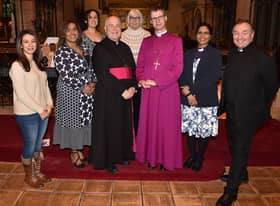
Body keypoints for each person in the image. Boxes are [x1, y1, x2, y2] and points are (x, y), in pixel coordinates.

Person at [216, 19, 278, 206]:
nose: (240, 37)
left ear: (252, 35)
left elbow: (272, 86)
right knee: (234, 144)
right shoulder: (233, 54)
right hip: (232, 111)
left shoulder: (263, 58)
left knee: (241, 149)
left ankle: (231, 192)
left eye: (244, 33)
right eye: (236, 33)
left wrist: (259, 106)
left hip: (250, 113)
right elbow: (227, 82)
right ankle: (241, 174)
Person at [135, 6, 183, 171]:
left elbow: (177, 68)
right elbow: (139, 65)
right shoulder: (146, 42)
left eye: (160, 17)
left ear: (166, 18)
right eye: (154, 18)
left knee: (166, 126)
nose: (157, 21)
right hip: (149, 92)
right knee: (151, 124)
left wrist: (156, 81)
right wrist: (141, 80)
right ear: (151, 21)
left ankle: (166, 159)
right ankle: (152, 157)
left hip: (167, 91)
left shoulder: (176, 41)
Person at [88, 16, 137, 174]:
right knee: (110, 128)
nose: (115, 28)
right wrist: (122, 91)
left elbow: (133, 70)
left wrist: (133, 88)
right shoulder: (100, 48)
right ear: (105, 28)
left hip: (126, 94)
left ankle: (121, 155)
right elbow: (103, 75)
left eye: (117, 25)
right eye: (111, 26)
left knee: (122, 126)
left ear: (121, 29)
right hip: (109, 95)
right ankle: (108, 161)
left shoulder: (125, 47)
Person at [9, 30, 53, 187]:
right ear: (20, 45)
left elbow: (45, 86)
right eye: (26, 41)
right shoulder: (17, 66)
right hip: (27, 113)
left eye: (33, 41)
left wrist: (49, 104)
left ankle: (37, 173)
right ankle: (29, 177)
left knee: (37, 145)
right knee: (29, 145)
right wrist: (40, 109)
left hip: (43, 112)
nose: (30, 45)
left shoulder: (36, 63)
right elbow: (21, 93)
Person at [180, 23, 222, 172]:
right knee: (191, 131)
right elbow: (182, 74)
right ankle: (192, 156)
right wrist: (187, 93)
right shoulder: (188, 53)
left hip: (206, 100)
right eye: (199, 32)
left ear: (210, 36)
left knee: (203, 131)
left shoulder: (215, 54)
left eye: (206, 33)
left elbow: (213, 77)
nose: (202, 36)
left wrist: (191, 91)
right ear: (195, 34)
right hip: (187, 99)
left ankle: (200, 157)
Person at [53, 20, 95, 168]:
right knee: (73, 121)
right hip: (70, 92)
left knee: (84, 119)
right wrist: (83, 86)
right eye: (68, 30)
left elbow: (92, 66)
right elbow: (67, 75)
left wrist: (93, 83)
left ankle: (79, 147)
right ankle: (74, 151)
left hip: (87, 92)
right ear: (64, 33)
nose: (72, 33)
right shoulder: (61, 51)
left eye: (74, 29)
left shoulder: (84, 46)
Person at [121, 8, 151, 136]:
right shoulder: (121, 35)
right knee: (127, 108)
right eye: (131, 18)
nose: (134, 20)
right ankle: (128, 135)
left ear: (141, 20)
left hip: (143, 77)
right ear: (128, 19)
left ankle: (141, 135)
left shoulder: (147, 35)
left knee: (141, 108)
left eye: (137, 17)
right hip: (126, 77)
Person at [81, 9, 104, 78]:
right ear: (85, 20)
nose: (93, 19)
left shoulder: (104, 37)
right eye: (90, 17)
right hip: (87, 74)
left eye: (95, 17)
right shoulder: (81, 37)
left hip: (102, 72)